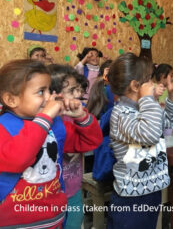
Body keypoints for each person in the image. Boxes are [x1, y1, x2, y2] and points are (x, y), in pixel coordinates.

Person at [0, 59, 102, 228]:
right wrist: (45, 118)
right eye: (41, 92)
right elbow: (17, 159)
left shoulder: (55, 124)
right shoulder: (4, 126)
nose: (49, 97)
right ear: (11, 99)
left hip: (54, 219)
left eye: (49, 90)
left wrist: (81, 117)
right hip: (15, 222)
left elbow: (89, 142)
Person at [106, 53, 173, 229]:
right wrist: (148, 99)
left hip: (151, 190)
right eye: (149, 80)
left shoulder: (145, 107)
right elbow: (149, 135)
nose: (153, 84)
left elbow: (172, 121)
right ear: (135, 86)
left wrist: (172, 98)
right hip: (131, 198)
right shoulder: (121, 113)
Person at [47, 64, 89, 229]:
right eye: (73, 90)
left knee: (74, 222)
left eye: (79, 89)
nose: (79, 94)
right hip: (50, 194)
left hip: (74, 189)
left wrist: (82, 118)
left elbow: (91, 142)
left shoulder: (77, 116)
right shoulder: (47, 122)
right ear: (54, 95)